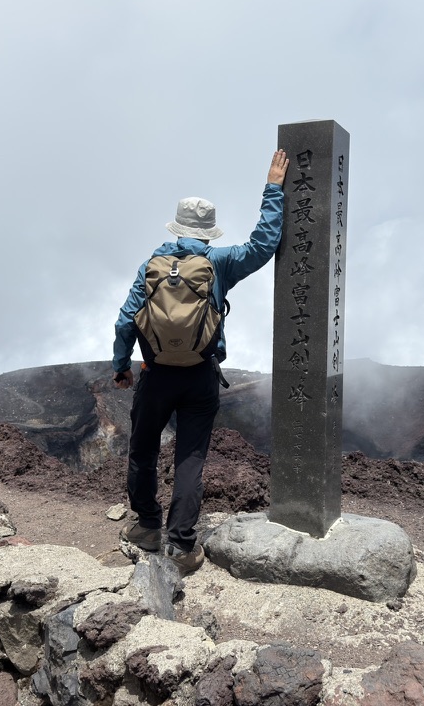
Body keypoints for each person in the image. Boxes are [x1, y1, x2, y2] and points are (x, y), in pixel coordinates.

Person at [112, 149, 289, 572]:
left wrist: (121, 366)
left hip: (155, 374)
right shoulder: (219, 262)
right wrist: (273, 189)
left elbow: (125, 320)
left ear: (175, 228)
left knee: (143, 451)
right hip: (200, 376)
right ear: (208, 232)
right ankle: (181, 545)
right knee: (190, 458)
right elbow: (263, 244)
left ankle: (148, 527)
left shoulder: (151, 265)